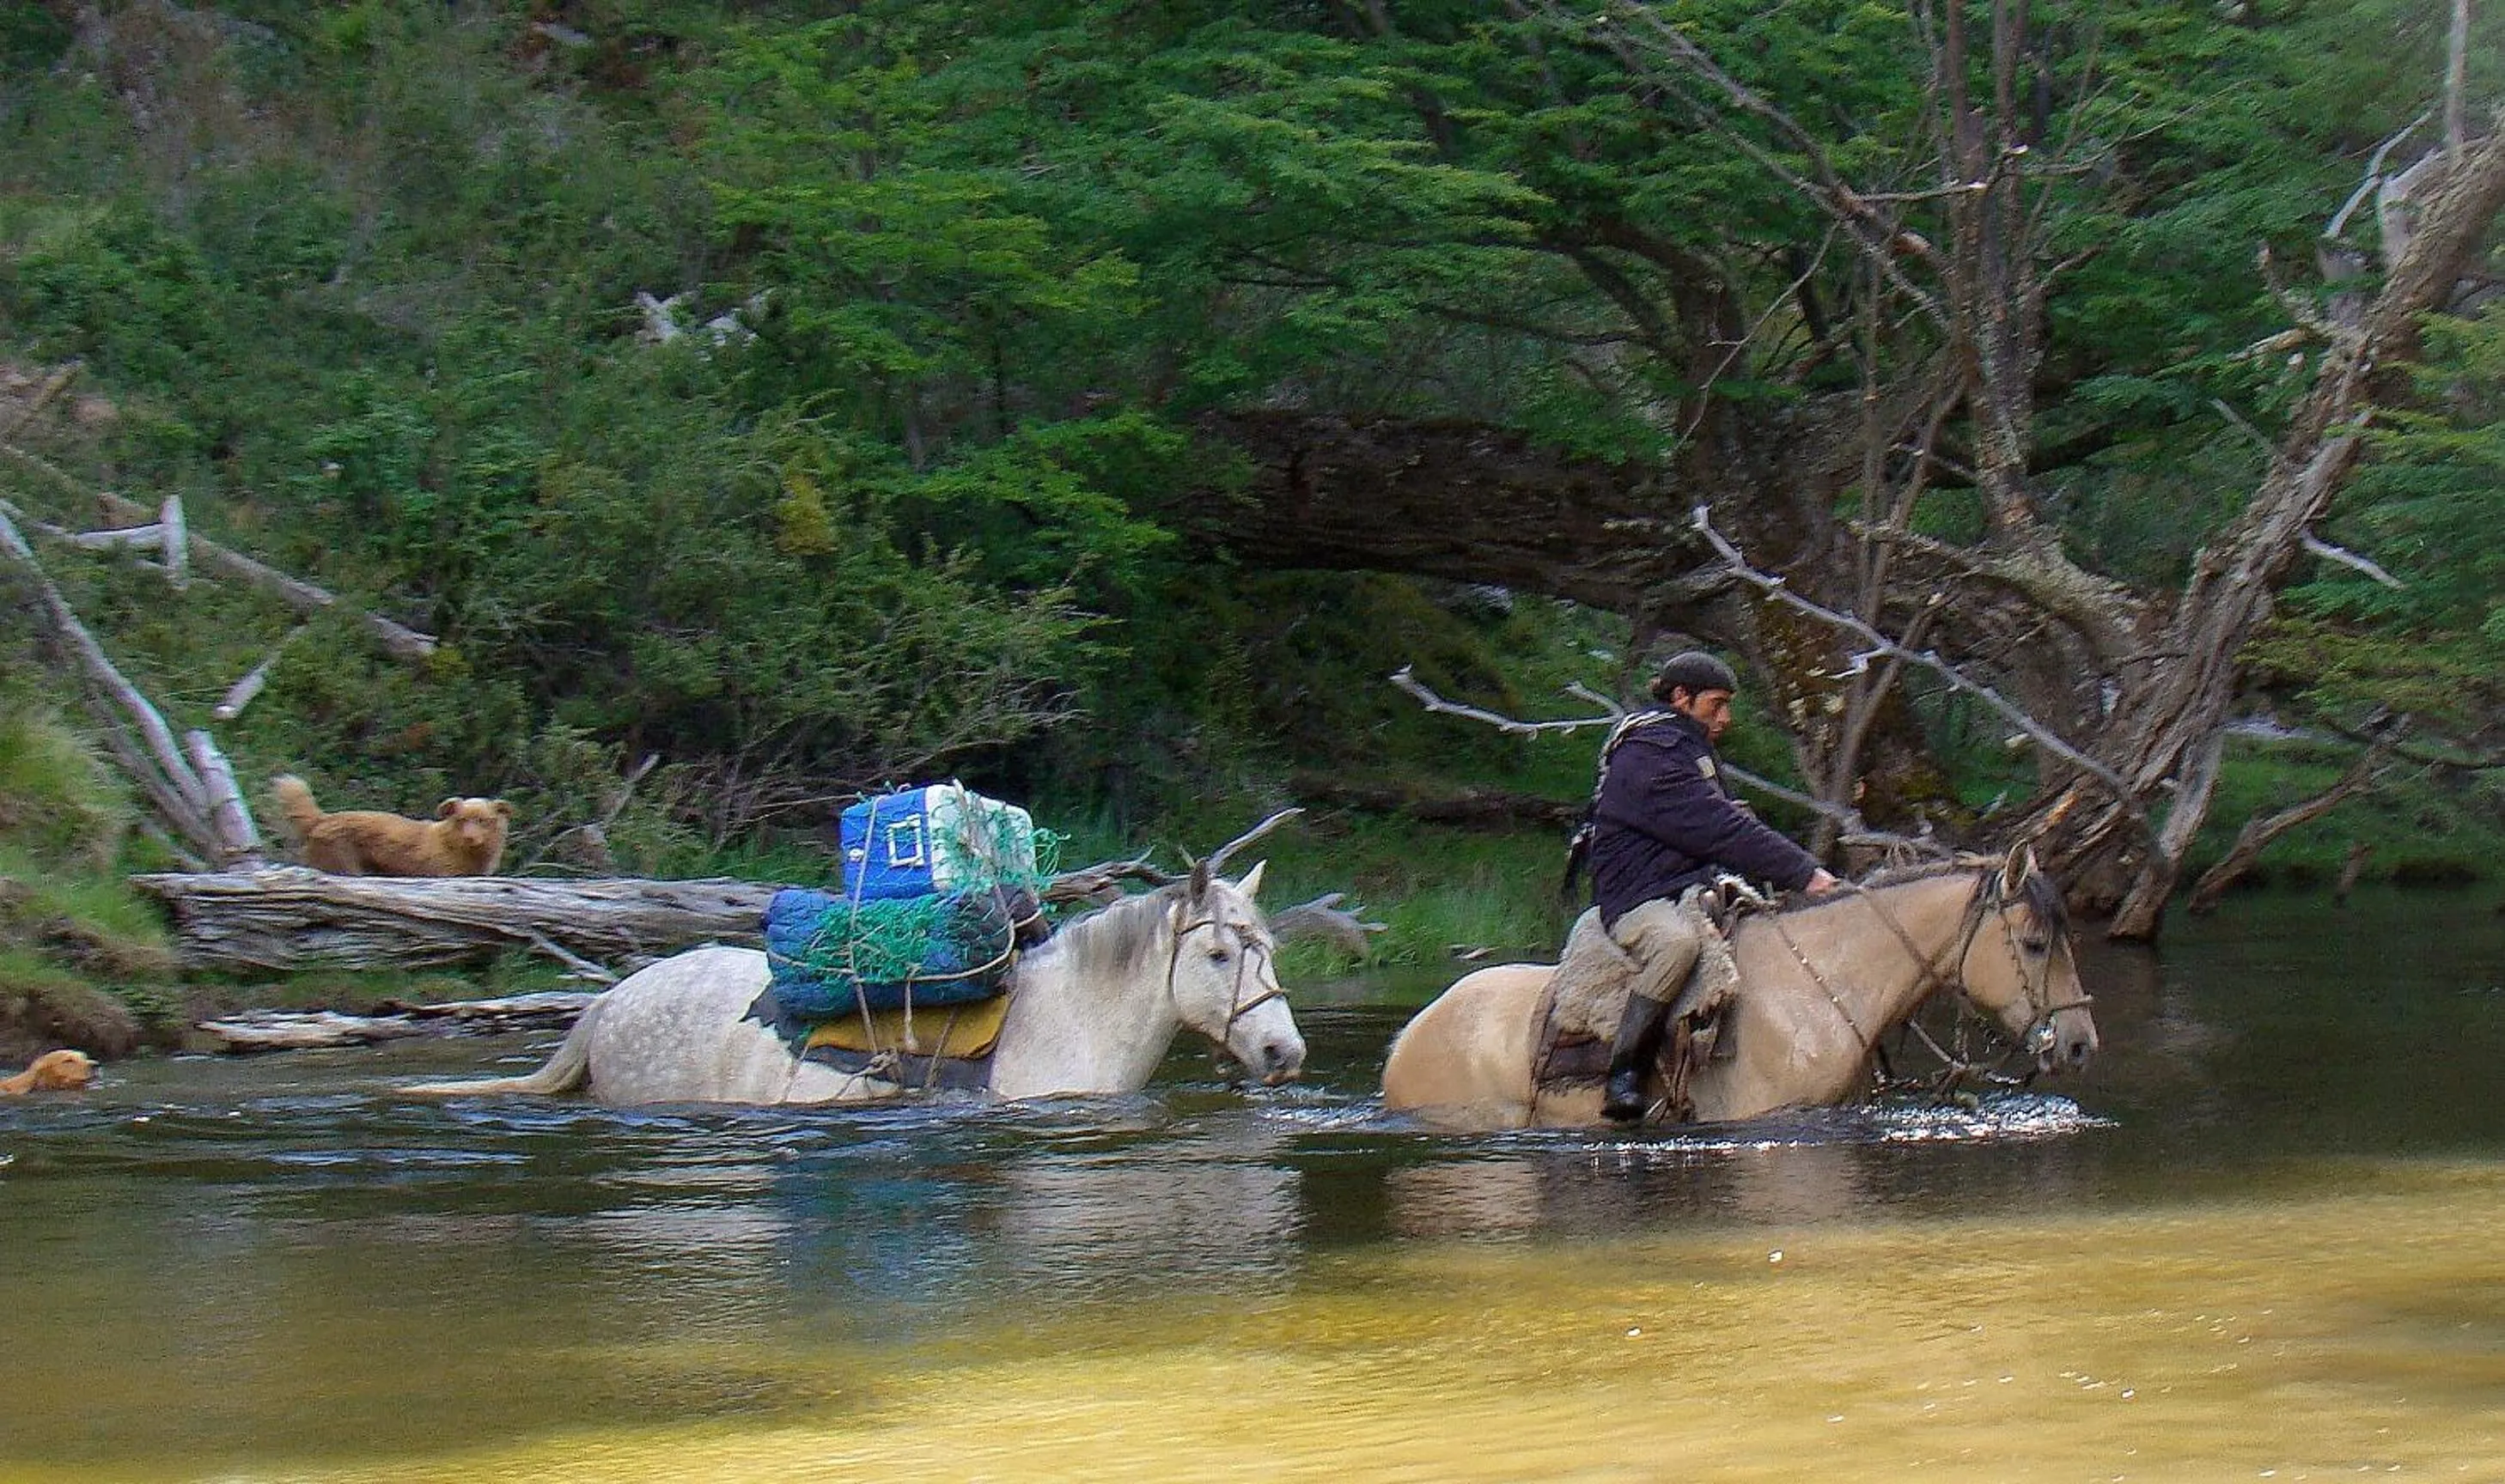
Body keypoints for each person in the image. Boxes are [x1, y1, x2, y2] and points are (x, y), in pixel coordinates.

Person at [1571, 650, 1839, 1121]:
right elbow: (1720, 828)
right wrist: (1806, 874)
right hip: (1637, 896)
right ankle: (1624, 1073)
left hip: (1685, 886)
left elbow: (1720, 824)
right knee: (1676, 947)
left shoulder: (1685, 747)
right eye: (1716, 704)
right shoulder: (1650, 754)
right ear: (1681, 698)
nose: (1726, 718)